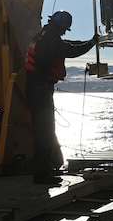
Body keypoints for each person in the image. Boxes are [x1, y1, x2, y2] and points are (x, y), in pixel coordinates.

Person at [25, 11, 98, 186]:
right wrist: (91, 44)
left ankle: (44, 170)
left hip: (36, 89)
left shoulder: (44, 35)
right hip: (40, 91)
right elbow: (72, 50)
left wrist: (90, 41)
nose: (65, 32)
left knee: (44, 132)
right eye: (65, 28)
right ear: (62, 26)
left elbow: (67, 44)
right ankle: (41, 176)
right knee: (45, 133)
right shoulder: (51, 40)